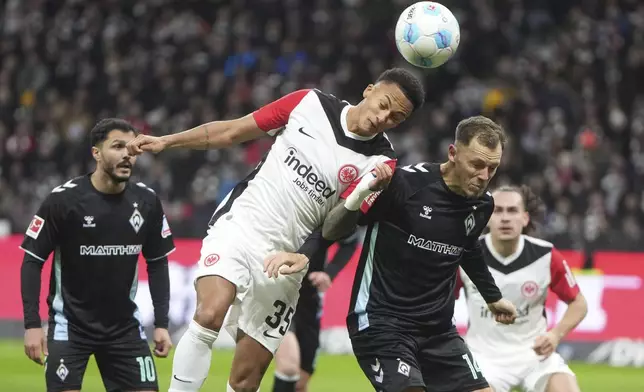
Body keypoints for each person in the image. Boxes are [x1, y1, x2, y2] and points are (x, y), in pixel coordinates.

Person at [126, 68, 426, 392]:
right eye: (384, 104)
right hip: (243, 224)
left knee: (245, 380)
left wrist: (359, 195)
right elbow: (231, 132)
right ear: (369, 90)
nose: (384, 117)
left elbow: (339, 226)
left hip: (288, 259)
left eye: (396, 118)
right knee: (210, 313)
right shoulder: (308, 104)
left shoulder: (381, 163)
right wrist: (167, 141)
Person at [266, 115, 519, 392]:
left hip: (438, 332)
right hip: (382, 323)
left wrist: (493, 298)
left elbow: (468, 248)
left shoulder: (482, 205)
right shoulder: (404, 184)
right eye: (477, 164)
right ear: (453, 153)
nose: (484, 176)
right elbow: (342, 223)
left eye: (492, 168)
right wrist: (307, 252)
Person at [20, 118, 175, 392]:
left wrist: (162, 323)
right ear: (96, 153)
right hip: (70, 327)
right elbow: (32, 261)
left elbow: (157, 263)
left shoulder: (147, 201)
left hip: (124, 328)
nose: (127, 154)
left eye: (133, 149)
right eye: (117, 147)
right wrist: (32, 325)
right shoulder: (63, 201)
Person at [456, 185, 588, 392]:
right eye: (497, 211)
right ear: (487, 217)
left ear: (525, 218)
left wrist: (555, 335)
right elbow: (439, 302)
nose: (505, 218)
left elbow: (579, 303)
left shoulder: (546, 255)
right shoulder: (465, 254)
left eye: (512, 210)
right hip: (483, 356)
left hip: (534, 354)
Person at [273, 233, 358, 392]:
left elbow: (350, 241)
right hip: (278, 294)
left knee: (301, 381)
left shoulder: (324, 212)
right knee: (289, 368)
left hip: (309, 298)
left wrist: (329, 273)